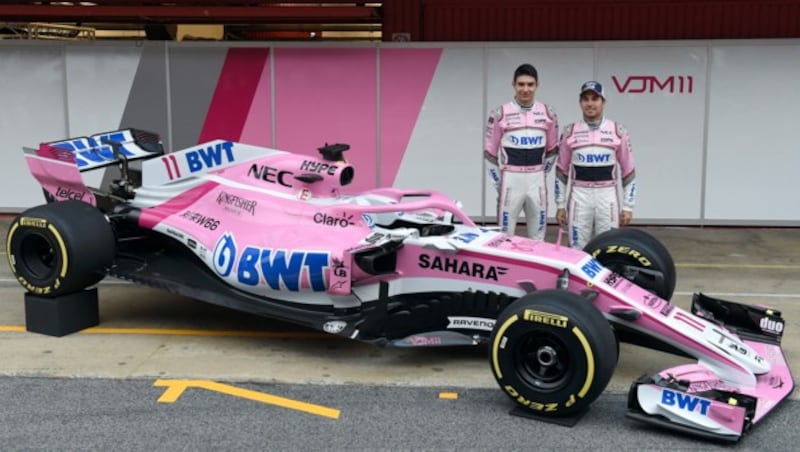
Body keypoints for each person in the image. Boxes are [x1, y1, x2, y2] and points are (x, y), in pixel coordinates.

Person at [555, 81, 637, 249]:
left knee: (609, 246)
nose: (590, 103)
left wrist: (628, 206)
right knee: (577, 248)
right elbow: (561, 172)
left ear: (603, 102)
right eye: (585, 99)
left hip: (607, 196)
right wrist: (560, 205)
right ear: (580, 103)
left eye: (595, 99)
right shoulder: (569, 132)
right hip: (580, 195)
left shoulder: (618, 131)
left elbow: (628, 171)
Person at [483, 63, 559, 240]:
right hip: (511, 179)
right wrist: (499, 183)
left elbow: (552, 150)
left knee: (538, 235)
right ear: (514, 85)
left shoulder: (548, 113)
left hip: (536, 181)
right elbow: (489, 154)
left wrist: (541, 173)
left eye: (530, 84)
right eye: (521, 84)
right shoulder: (499, 113)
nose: (526, 89)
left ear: (537, 85)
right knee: (504, 235)